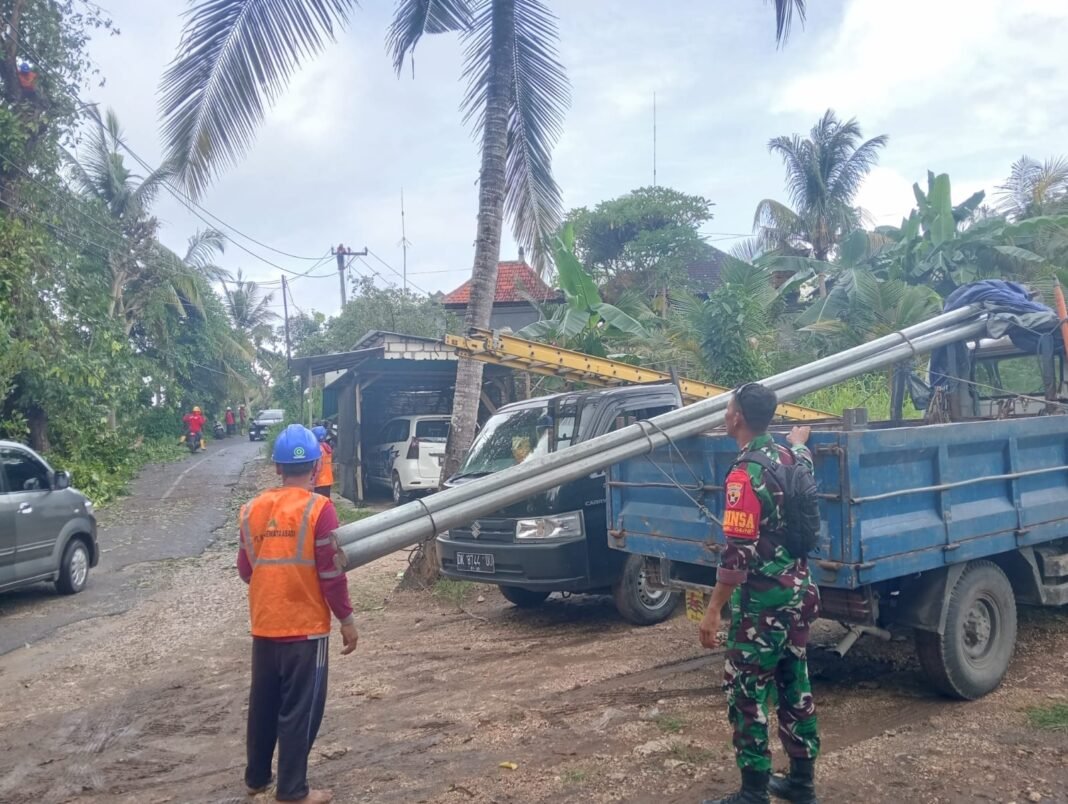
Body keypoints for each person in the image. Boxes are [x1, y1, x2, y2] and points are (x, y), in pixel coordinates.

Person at [699, 383, 820, 804]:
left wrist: (713, 610)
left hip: (762, 607)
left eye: (727, 408)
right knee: (795, 685)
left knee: (747, 693)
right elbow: (803, 460)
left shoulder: (745, 474)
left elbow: (737, 556)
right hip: (798, 596)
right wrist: (799, 441)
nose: (725, 414)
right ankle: (802, 784)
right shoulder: (789, 456)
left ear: (737, 418)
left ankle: (753, 793)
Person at [238, 424, 358, 804]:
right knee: (301, 709)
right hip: (305, 629)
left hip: (265, 624)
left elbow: (245, 569)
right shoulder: (320, 509)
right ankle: (292, 790)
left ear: (277, 467)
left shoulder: (251, 510)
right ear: (317, 466)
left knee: (264, 704)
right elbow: (331, 574)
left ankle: (257, 778)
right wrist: (347, 620)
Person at [311, 425, 334, 499]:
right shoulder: (327, 447)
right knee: (325, 501)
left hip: (319, 481)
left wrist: (313, 480)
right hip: (328, 480)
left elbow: (318, 467)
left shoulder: (317, 449)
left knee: (318, 503)